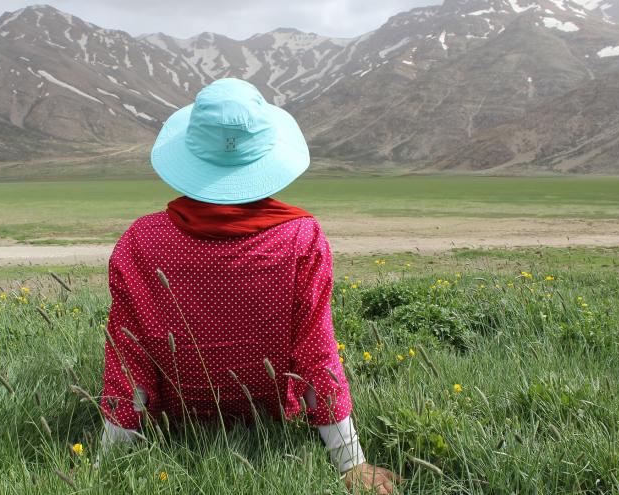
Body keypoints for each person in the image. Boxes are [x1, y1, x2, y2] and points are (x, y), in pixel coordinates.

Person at [98, 78, 400, 493]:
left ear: (190, 153)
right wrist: (352, 463)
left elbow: (128, 363)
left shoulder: (141, 241)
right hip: (271, 415)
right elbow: (317, 356)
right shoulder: (302, 239)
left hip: (176, 420)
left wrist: (103, 467)